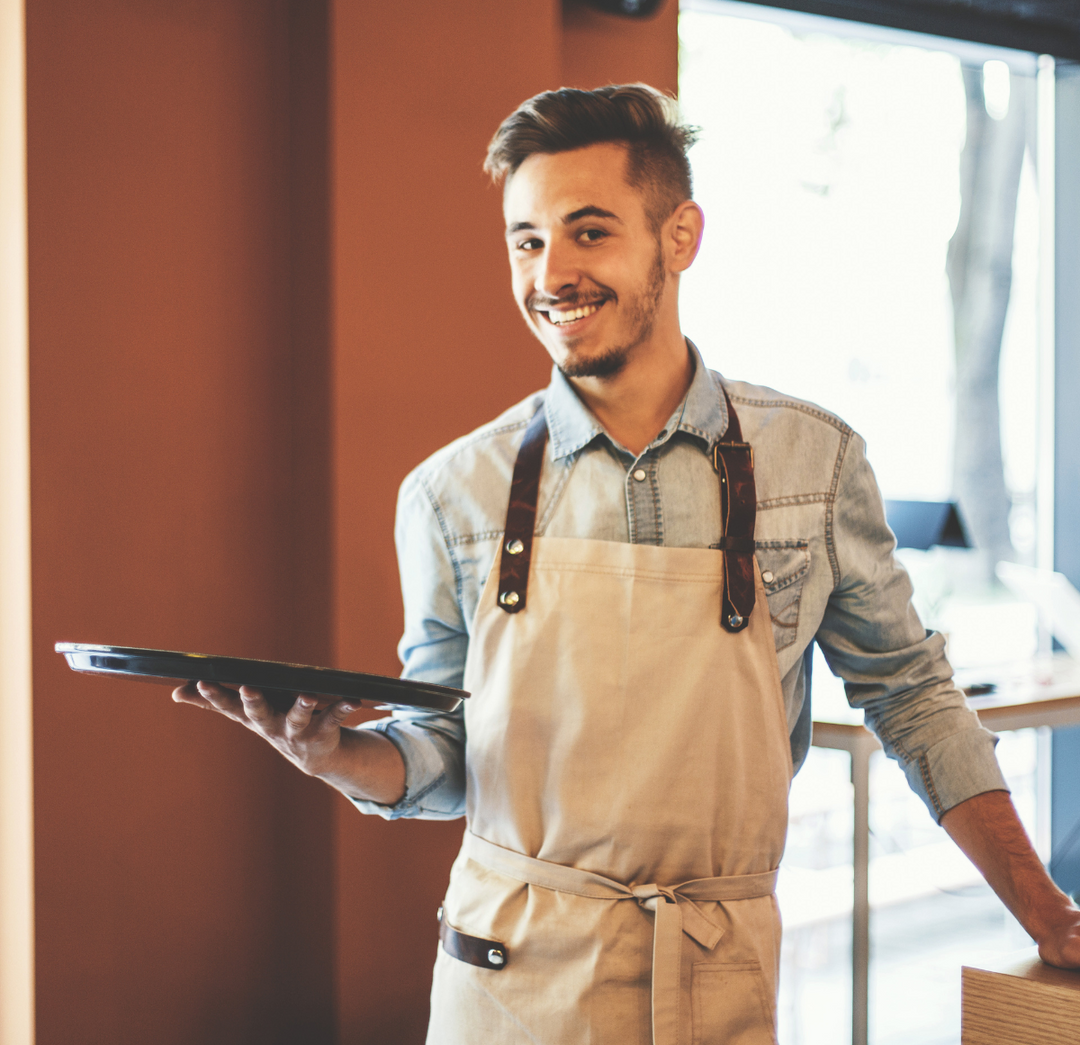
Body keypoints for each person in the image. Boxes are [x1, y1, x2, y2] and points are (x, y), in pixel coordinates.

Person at [175, 84, 1080, 1044]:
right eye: (526, 241)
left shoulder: (814, 465)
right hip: (509, 987)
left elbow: (913, 696)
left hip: (716, 979)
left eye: (589, 232)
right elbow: (444, 751)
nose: (550, 272)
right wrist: (337, 756)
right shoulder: (451, 494)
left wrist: (1045, 911)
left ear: (680, 236)